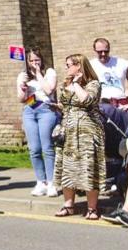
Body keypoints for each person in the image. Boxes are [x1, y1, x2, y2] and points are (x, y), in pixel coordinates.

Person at [54, 53, 104, 219]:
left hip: (87, 132)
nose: (67, 68)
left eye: (69, 65)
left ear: (79, 67)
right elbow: (65, 103)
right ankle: (68, 205)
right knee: (67, 167)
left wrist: (76, 84)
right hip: (68, 131)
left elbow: (87, 100)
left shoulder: (93, 84)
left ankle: (92, 208)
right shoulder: (65, 83)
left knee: (88, 167)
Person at [17, 50, 58, 196]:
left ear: (42, 60)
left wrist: (39, 73)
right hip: (29, 110)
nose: (35, 63)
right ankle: (41, 182)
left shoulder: (49, 73)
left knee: (47, 147)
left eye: (37, 60)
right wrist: (23, 89)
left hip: (46, 110)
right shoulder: (23, 76)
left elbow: (49, 90)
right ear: (27, 62)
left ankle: (52, 182)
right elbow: (21, 98)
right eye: (32, 61)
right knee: (34, 149)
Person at [90, 37, 128, 134]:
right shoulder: (91, 65)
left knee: (126, 132)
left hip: (121, 103)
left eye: (106, 51)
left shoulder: (121, 63)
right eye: (100, 52)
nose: (103, 54)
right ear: (95, 50)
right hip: (101, 105)